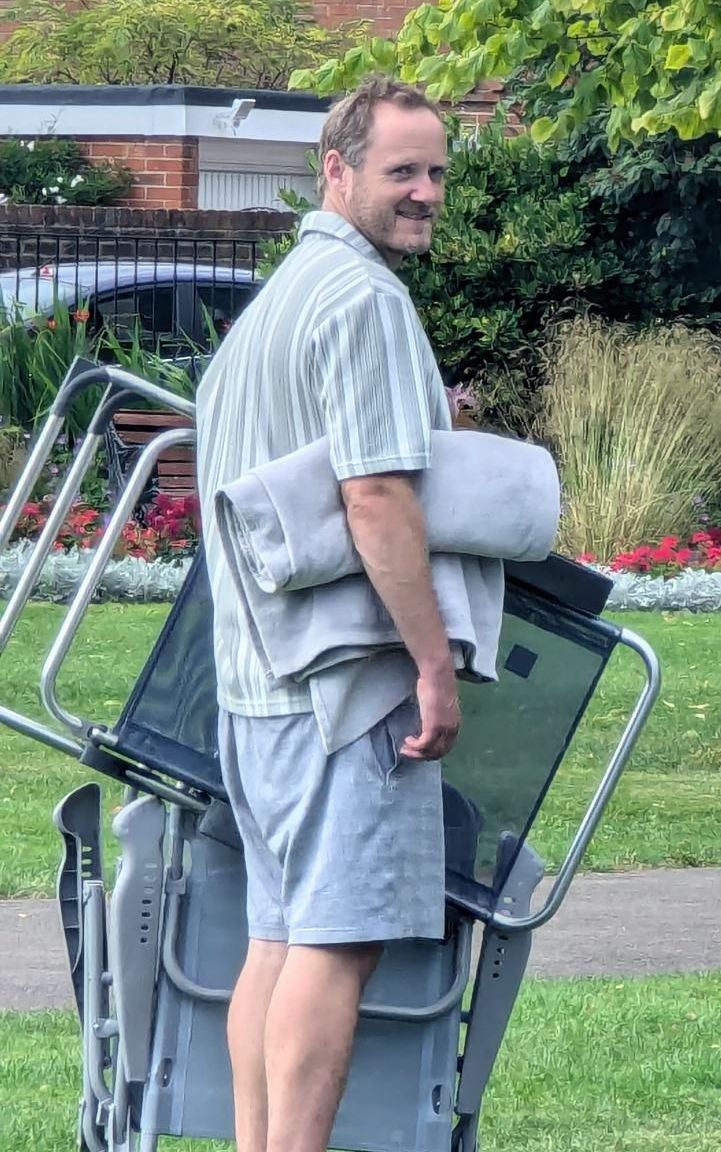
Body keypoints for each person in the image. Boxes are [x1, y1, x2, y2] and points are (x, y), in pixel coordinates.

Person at [195, 75, 459, 1152]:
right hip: (341, 689)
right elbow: (377, 496)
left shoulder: (284, 295)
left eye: (439, 171)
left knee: (277, 940)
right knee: (336, 946)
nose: (427, 192)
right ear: (337, 171)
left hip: (256, 686)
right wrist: (434, 664)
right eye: (403, 171)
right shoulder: (364, 299)